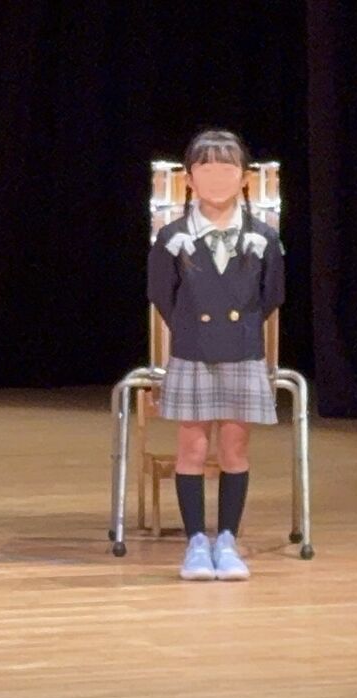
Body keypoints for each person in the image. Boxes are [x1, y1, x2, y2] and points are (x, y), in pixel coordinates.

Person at [147, 129, 286, 581]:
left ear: (244, 178)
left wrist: (240, 329)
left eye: (228, 168)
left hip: (243, 351)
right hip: (192, 352)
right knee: (191, 447)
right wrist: (192, 328)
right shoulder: (172, 237)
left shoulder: (263, 237)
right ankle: (195, 542)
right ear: (189, 179)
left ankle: (226, 539)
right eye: (205, 168)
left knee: (234, 447)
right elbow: (162, 295)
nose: (217, 177)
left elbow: (272, 295)